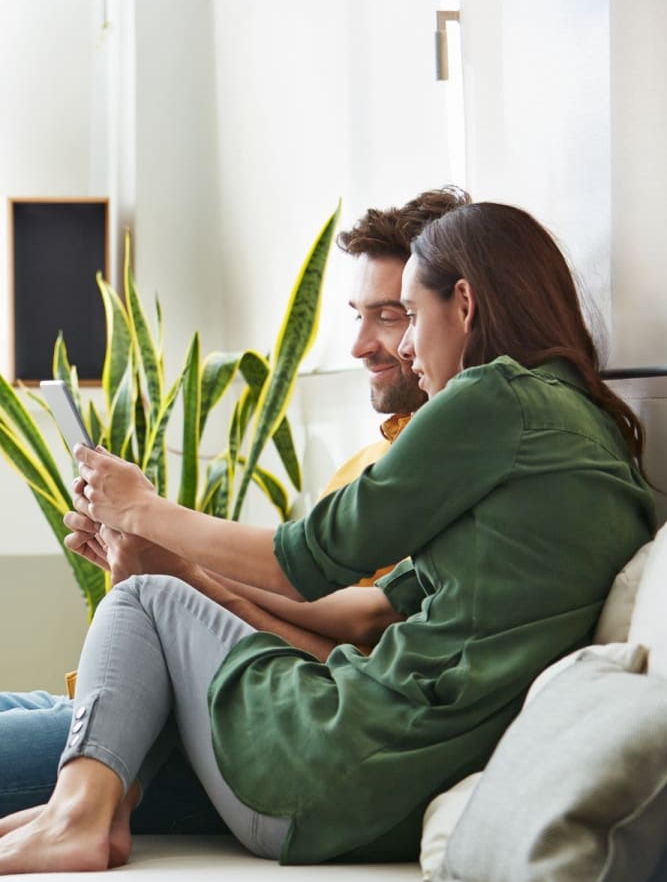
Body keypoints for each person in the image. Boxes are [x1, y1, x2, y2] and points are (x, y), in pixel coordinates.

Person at [0, 201, 655, 874]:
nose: (398, 347)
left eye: (405, 315)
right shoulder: (582, 433)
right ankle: (82, 810)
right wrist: (175, 562)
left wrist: (141, 509)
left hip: (344, 764)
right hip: (388, 788)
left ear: (463, 303)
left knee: (141, 602)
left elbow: (306, 562)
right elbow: (365, 611)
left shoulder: (496, 398)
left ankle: (77, 818)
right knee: (150, 593)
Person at [0, 186, 471, 830]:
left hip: (244, 732)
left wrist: (175, 568)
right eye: (357, 314)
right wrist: (145, 564)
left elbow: (332, 673)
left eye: (391, 314)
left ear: (455, 311)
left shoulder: (443, 488)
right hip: (182, 701)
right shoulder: (361, 470)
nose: (361, 344)